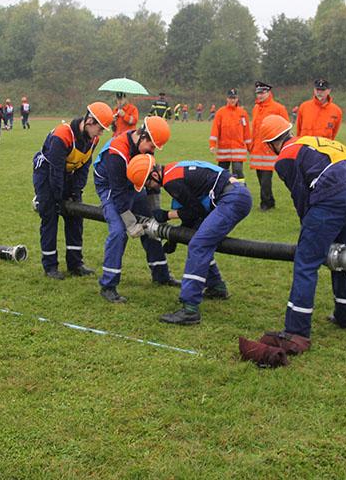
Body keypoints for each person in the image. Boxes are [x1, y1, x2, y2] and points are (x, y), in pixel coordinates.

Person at [243, 115, 346, 364]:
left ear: (270, 144)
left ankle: (297, 331)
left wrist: (308, 228)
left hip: (331, 198)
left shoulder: (285, 157)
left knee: (306, 262)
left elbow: (300, 194)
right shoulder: (314, 141)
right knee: (344, 256)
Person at [128, 155, 252, 325]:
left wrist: (166, 215)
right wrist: (174, 239)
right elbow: (190, 216)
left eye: (148, 184)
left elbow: (195, 211)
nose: (149, 189)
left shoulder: (172, 182)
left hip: (231, 199)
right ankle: (216, 286)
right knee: (198, 239)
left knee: (199, 245)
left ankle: (190, 309)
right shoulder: (173, 171)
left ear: (154, 175)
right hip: (233, 195)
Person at [92, 116, 177, 303]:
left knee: (152, 226)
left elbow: (151, 182)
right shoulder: (117, 151)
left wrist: (155, 213)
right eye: (152, 145)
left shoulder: (145, 150)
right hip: (110, 187)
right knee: (118, 231)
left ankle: (161, 275)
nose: (152, 151)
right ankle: (108, 286)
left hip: (131, 184)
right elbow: (118, 193)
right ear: (143, 136)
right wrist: (130, 223)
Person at [33, 102, 113, 279]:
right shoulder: (62, 135)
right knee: (50, 217)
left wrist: (75, 192)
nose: (101, 133)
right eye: (100, 128)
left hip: (69, 174)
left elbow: (84, 166)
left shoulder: (93, 139)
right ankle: (50, 266)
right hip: (47, 173)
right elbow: (55, 170)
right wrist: (58, 198)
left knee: (75, 218)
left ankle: (75, 264)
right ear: (90, 121)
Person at [250, 81, 289, 210]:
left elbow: (285, 128)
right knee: (260, 177)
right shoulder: (256, 108)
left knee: (266, 179)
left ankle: (265, 203)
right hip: (257, 149)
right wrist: (251, 145)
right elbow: (255, 129)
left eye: (263, 92)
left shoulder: (278, 108)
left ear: (268, 92)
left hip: (270, 149)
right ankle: (270, 201)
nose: (260, 95)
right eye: (258, 93)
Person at [209, 89, 251, 180]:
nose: (232, 100)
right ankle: (223, 188)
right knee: (222, 173)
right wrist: (212, 144)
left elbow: (246, 132)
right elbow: (215, 129)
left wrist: (250, 147)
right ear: (227, 99)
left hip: (238, 148)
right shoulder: (220, 112)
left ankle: (240, 187)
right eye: (230, 98)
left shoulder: (243, 113)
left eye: (234, 98)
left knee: (238, 171)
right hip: (224, 149)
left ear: (237, 99)